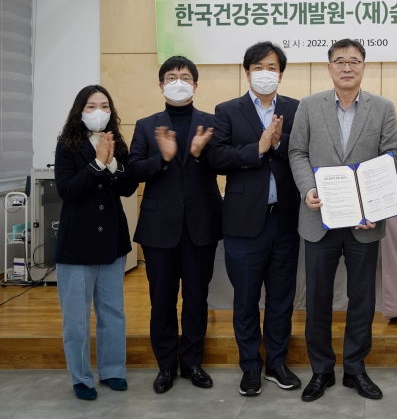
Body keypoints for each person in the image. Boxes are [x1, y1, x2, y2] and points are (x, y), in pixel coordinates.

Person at [288, 38, 397, 402]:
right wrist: (307, 189)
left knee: (362, 299)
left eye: (354, 61)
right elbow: (297, 152)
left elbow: (390, 155)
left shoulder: (383, 108)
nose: (347, 67)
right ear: (329, 67)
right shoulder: (309, 106)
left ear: (364, 66)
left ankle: (355, 369)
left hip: (363, 224)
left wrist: (374, 206)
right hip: (318, 219)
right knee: (317, 299)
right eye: (340, 61)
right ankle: (321, 370)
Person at [206, 42, 301, 397]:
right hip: (244, 222)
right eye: (258, 67)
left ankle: (276, 362)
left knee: (281, 298)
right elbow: (216, 158)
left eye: (272, 68)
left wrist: (276, 143)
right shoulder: (227, 110)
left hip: (285, 220)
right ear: (247, 73)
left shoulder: (296, 108)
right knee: (245, 299)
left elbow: (303, 150)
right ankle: (250, 366)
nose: (265, 73)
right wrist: (257, 148)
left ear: (281, 74)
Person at [128, 56, 221, 393]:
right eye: (171, 77)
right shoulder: (145, 125)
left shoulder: (212, 122)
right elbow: (133, 171)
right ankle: (165, 366)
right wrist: (163, 158)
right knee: (162, 301)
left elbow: (223, 164)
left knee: (196, 298)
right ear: (161, 85)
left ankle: (192, 363)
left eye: (184, 77)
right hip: (159, 228)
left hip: (201, 225)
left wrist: (198, 154)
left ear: (195, 85)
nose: (177, 82)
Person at [54, 85, 138, 400]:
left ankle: (113, 370)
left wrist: (113, 163)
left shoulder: (116, 142)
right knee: (76, 318)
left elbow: (128, 187)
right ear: (79, 111)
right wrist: (97, 164)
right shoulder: (67, 145)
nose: (98, 111)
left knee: (112, 312)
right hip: (77, 244)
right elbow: (67, 190)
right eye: (91, 106)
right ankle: (81, 377)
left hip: (112, 242)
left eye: (104, 106)